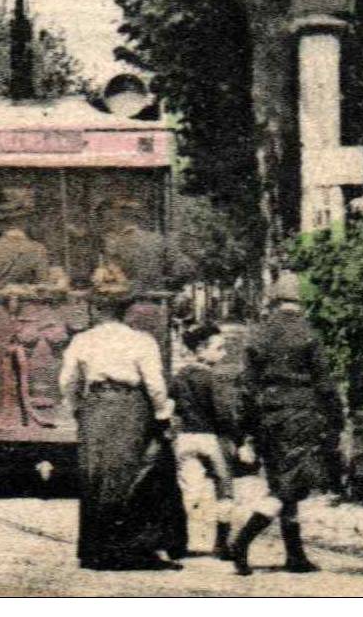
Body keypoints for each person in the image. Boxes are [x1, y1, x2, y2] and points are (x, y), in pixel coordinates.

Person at [58, 281, 187, 571]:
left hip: (95, 405)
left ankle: (92, 551)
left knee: (95, 475)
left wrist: (78, 408)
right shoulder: (141, 341)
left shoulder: (82, 341)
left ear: (95, 310)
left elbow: (67, 381)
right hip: (130, 406)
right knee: (131, 476)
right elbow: (154, 384)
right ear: (126, 311)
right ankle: (128, 550)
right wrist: (162, 414)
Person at [230, 271, 343, 577]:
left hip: (267, 416)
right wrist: (336, 418)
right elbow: (324, 383)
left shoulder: (257, 334)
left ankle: (295, 555)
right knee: (289, 487)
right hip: (301, 415)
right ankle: (242, 542)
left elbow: (247, 387)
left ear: (275, 300)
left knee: (282, 481)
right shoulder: (308, 333)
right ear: (301, 302)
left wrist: (244, 430)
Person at [171, 323, 236, 559]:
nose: (224, 353)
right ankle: (223, 543)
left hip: (185, 439)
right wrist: (235, 436)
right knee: (225, 490)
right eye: (219, 348)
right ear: (201, 350)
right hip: (211, 438)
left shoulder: (179, 377)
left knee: (189, 491)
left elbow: (172, 407)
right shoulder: (213, 379)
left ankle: (177, 542)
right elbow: (224, 412)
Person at [102, 196, 196, 293]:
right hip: (156, 298)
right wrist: (168, 285)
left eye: (107, 219)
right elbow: (186, 267)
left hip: (122, 300)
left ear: (116, 217)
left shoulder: (114, 243)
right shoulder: (157, 239)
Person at [0, 187, 51, 290]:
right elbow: (42, 283)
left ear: (1, 223)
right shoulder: (38, 249)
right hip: (23, 303)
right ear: (25, 221)